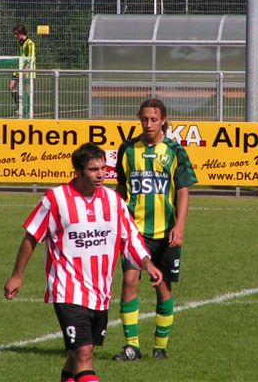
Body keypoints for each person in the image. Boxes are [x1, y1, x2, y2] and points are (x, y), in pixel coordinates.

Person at [4, 143, 163, 382]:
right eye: (93, 169)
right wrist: (17, 275)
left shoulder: (114, 201)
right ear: (78, 172)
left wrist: (147, 263)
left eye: (103, 168)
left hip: (100, 293)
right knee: (84, 354)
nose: (100, 174)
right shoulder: (55, 199)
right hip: (68, 291)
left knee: (76, 357)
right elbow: (32, 236)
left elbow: (130, 238)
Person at [112, 98, 198, 362]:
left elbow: (183, 191)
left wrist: (180, 226)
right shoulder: (127, 149)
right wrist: (119, 219)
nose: (148, 124)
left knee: (163, 287)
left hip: (165, 232)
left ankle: (160, 347)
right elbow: (122, 188)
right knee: (129, 281)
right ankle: (132, 346)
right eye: (144, 119)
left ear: (163, 120)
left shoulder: (175, 151)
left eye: (153, 119)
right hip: (134, 232)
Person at [9, 25, 36, 116]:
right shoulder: (20, 43)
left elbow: (31, 59)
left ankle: (29, 111)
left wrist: (25, 70)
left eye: (16, 34)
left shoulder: (30, 43)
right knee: (11, 87)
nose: (15, 36)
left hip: (28, 71)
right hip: (19, 69)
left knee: (28, 92)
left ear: (21, 33)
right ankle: (20, 107)